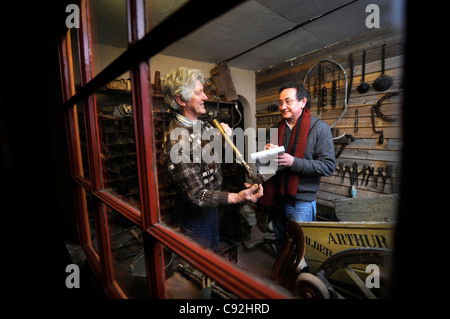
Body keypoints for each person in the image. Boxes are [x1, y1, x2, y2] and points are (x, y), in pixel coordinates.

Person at [160, 67, 263, 252]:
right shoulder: (177, 143)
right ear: (180, 99)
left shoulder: (201, 124)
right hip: (195, 217)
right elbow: (196, 195)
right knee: (199, 267)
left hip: (213, 208)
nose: (206, 97)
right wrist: (237, 197)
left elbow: (210, 155)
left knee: (213, 254)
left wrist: (224, 139)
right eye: (199, 92)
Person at [259, 81, 335, 256]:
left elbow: (328, 166)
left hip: (301, 202)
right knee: (280, 241)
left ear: (303, 102)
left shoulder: (319, 129)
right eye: (280, 102)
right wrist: (265, 157)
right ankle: (282, 277)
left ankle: (299, 281)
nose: (283, 106)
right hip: (278, 197)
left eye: (288, 101)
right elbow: (268, 167)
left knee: (301, 248)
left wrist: (294, 162)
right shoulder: (275, 129)